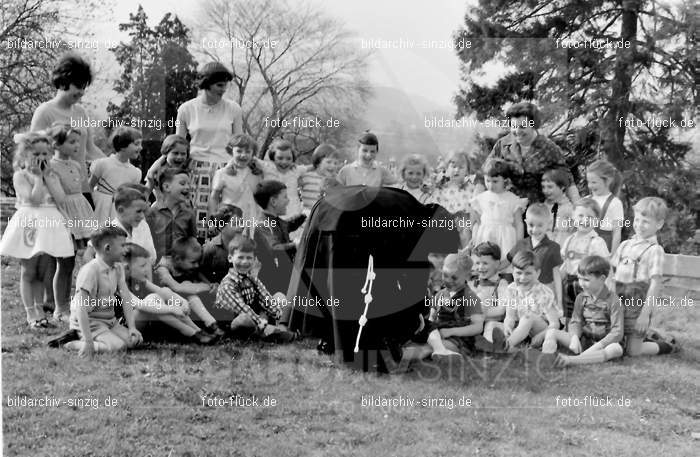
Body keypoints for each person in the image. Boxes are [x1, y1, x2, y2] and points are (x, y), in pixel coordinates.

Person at [0, 133, 74, 327]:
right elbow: (33, 199)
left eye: (45, 153)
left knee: (43, 271)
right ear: (25, 155)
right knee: (29, 271)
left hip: (50, 224)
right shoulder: (21, 176)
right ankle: (30, 314)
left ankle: (40, 309)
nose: (41, 158)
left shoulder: (51, 175)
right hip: (31, 223)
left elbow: (60, 198)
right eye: (36, 154)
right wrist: (38, 179)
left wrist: (48, 177)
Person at [175, 62, 243, 237]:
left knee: (226, 216)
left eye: (225, 86)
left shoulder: (233, 109)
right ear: (207, 83)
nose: (223, 90)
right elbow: (178, 144)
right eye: (219, 85)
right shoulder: (186, 109)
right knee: (199, 217)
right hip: (197, 169)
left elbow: (239, 142)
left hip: (226, 168)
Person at [30, 52, 105, 202]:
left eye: (84, 87)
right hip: (56, 193)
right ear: (63, 81)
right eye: (78, 86)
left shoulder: (81, 112)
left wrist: (114, 164)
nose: (81, 92)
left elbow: (90, 149)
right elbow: (33, 153)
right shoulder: (45, 111)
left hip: (82, 191)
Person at [611, 197, 679, 356]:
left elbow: (655, 284)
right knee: (614, 343)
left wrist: (644, 314)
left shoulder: (655, 250)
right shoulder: (624, 245)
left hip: (638, 304)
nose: (639, 225)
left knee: (632, 352)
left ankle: (667, 345)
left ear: (659, 224)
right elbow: (612, 275)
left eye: (646, 222)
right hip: (618, 300)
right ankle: (649, 334)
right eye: (637, 220)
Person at [64, 226, 142, 357]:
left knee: (135, 341)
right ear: (107, 248)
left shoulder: (117, 268)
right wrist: (88, 341)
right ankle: (75, 342)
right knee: (118, 347)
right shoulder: (90, 271)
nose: (125, 249)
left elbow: (126, 297)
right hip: (90, 322)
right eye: (122, 245)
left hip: (109, 321)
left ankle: (103, 339)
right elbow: (80, 308)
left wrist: (132, 327)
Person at [483, 101, 579, 206]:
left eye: (523, 127)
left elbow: (567, 179)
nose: (517, 131)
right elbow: (485, 172)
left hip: (538, 211)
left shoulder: (548, 148)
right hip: (508, 208)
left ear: (534, 125)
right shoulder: (502, 145)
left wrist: (578, 207)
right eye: (514, 126)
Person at [123, 243, 216, 345]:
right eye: (142, 266)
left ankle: (197, 331)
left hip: (142, 321)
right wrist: (172, 309)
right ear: (127, 268)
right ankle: (189, 332)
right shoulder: (120, 284)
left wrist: (181, 301)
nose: (146, 269)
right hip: (126, 327)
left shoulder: (139, 279)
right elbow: (141, 305)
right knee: (153, 299)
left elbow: (161, 291)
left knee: (164, 292)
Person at [542, 255, 624, 366]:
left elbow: (617, 332)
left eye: (586, 280)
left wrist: (598, 346)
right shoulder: (581, 297)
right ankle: (547, 359)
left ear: (602, 279)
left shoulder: (613, 300)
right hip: (584, 340)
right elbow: (576, 321)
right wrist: (575, 337)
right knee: (552, 332)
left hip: (604, 344)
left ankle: (571, 360)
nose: (581, 283)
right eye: (579, 278)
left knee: (616, 349)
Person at [404, 253, 484, 361]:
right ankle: (400, 353)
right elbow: (432, 318)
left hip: (458, 340)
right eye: (445, 275)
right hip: (437, 334)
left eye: (454, 278)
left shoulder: (470, 297)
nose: (448, 280)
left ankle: (403, 356)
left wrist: (451, 331)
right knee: (417, 340)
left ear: (467, 276)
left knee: (428, 348)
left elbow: (478, 327)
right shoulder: (440, 294)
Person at [214, 236, 295, 341]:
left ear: (254, 259)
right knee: (244, 320)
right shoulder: (228, 284)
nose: (245, 262)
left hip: (255, 317)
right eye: (240, 257)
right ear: (230, 258)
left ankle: (280, 328)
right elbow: (242, 308)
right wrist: (260, 321)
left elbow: (265, 297)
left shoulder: (252, 279)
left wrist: (278, 313)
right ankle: (267, 333)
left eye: (249, 258)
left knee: (279, 296)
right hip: (234, 321)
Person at [153, 237, 224, 338]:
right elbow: (177, 287)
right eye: (193, 262)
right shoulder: (163, 268)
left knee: (190, 291)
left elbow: (203, 280)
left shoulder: (186, 264)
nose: (196, 265)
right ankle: (210, 326)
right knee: (189, 290)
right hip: (164, 308)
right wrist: (207, 287)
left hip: (184, 305)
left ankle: (212, 325)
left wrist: (211, 286)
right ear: (177, 259)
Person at [559, 198, 609, 324]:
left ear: (597, 220)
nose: (585, 220)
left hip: (587, 285)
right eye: (580, 215)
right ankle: (570, 335)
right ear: (573, 217)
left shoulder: (597, 242)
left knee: (586, 313)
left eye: (590, 217)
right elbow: (565, 263)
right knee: (569, 312)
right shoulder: (569, 239)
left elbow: (606, 267)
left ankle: (586, 336)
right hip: (569, 283)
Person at [508, 203, 563, 316]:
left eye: (540, 225)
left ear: (548, 224)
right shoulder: (521, 244)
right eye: (531, 225)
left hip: (544, 294)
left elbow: (557, 276)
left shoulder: (553, 247)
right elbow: (513, 267)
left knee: (538, 320)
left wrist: (560, 301)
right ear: (526, 222)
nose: (535, 229)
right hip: (524, 292)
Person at [47, 123, 96, 249]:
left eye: (78, 142)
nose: (77, 145)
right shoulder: (51, 166)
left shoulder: (76, 165)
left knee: (86, 248)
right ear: (56, 144)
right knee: (67, 253)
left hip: (80, 209)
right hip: (64, 210)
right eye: (72, 142)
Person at [501, 250, 561, 352]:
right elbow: (510, 317)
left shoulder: (544, 293)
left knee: (528, 317)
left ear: (537, 273)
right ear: (512, 271)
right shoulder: (512, 289)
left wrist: (541, 336)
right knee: (494, 325)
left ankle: (505, 345)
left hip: (542, 331)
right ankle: (498, 343)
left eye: (528, 273)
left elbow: (554, 324)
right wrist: (508, 326)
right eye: (518, 273)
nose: (523, 278)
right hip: (522, 331)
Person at [470, 159, 526, 260]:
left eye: (495, 181)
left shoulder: (513, 199)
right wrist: (474, 237)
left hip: (505, 237)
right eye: (488, 181)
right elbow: (476, 222)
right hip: (486, 235)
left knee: (504, 262)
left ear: (505, 180)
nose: (491, 185)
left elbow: (519, 223)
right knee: (485, 261)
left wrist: (519, 242)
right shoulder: (481, 198)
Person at [89, 126, 142, 227]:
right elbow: (90, 186)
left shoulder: (135, 172)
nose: (141, 147)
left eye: (140, 144)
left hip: (119, 211)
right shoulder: (103, 164)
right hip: (100, 208)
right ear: (122, 146)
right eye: (136, 144)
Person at [207, 133, 264, 225]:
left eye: (248, 152)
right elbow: (214, 198)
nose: (243, 155)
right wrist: (212, 221)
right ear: (231, 151)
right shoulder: (222, 173)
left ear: (253, 154)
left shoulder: (258, 174)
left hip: (252, 221)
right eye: (239, 151)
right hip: (228, 222)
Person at [146, 167, 197, 261]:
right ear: (166, 187)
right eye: (182, 183)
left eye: (189, 184)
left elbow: (193, 241)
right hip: (157, 265)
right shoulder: (152, 213)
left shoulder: (189, 213)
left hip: (181, 265)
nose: (187, 187)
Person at [433, 150, 480, 249]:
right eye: (453, 166)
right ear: (446, 169)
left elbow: (474, 210)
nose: (457, 170)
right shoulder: (441, 189)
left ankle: (465, 257)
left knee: (466, 236)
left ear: (467, 170)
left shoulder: (471, 188)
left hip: (465, 223)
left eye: (461, 167)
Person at [470, 242, 509, 346]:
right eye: (477, 263)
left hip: (493, 322)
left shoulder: (501, 284)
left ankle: (489, 346)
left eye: (485, 263)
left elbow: (501, 311)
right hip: (475, 324)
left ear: (497, 264)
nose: (480, 267)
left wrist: (481, 313)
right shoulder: (474, 283)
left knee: (491, 326)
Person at [586, 159, 624, 253]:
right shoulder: (586, 199)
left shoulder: (615, 203)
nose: (590, 186)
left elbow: (617, 233)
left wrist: (613, 255)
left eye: (594, 182)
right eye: (588, 182)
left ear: (608, 181)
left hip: (604, 247)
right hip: (585, 246)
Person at [145, 134, 192, 202]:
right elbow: (147, 191)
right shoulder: (158, 171)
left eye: (183, 154)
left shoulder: (187, 171)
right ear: (166, 153)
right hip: (162, 208)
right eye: (175, 153)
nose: (179, 157)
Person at [298, 143, 342, 213]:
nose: (333, 166)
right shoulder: (307, 177)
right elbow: (292, 173)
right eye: (329, 162)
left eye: (335, 163)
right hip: (308, 214)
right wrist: (311, 166)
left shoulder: (336, 180)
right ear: (318, 162)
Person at [541, 168, 574, 246]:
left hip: (561, 245)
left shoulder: (568, 208)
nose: (546, 190)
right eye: (543, 187)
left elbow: (573, 230)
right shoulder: (543, 207)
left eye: (550, 187)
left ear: (562, 187)